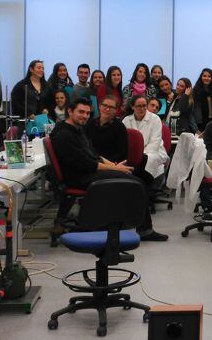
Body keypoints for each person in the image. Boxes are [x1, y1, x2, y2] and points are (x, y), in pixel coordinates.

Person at [51, 98, 167, 241]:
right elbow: (87, 163)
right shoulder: (65, 135)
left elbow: (93, 154)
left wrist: (115, 167)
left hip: (87, 171)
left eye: (87, 113)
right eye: (81, 112)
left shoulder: (76, 130)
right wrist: (115, 169)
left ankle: (142, 228)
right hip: (79, 177)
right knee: (135, 184)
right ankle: (143, 229)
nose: (85, 116)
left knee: (137, 181)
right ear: (70, 111)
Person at [122, 95, 169, 183]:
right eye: (139, 106)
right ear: (132, 107)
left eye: (144, 106)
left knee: (146, 161)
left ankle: (144, 188)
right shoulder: (126, 120)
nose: (142, 108)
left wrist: (140, 155)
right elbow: (123, 142)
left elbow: (155, 143)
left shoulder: (155, 119)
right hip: (132, 153)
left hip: (153, 152)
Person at [85, 95, 128, 163]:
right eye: (105, 105)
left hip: (109, 164)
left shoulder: (120, 127)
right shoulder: (91, 123)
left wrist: (104, 163)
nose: (107, 109)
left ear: (116, 110)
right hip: (91, 161)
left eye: (111, 107)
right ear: (99, 106)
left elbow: (122, 153)